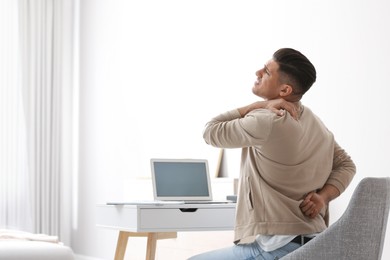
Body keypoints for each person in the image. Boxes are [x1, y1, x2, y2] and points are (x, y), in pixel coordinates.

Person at [189, 48, 356, 260]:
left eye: (267, 72)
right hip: (314, 244)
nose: (258, 72)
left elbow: (210, 132)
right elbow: (347, 165)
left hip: (277, 247)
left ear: (285, 90)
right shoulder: (314, 122)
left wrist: (258, 105)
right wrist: (322, 198)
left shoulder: (267, 119)